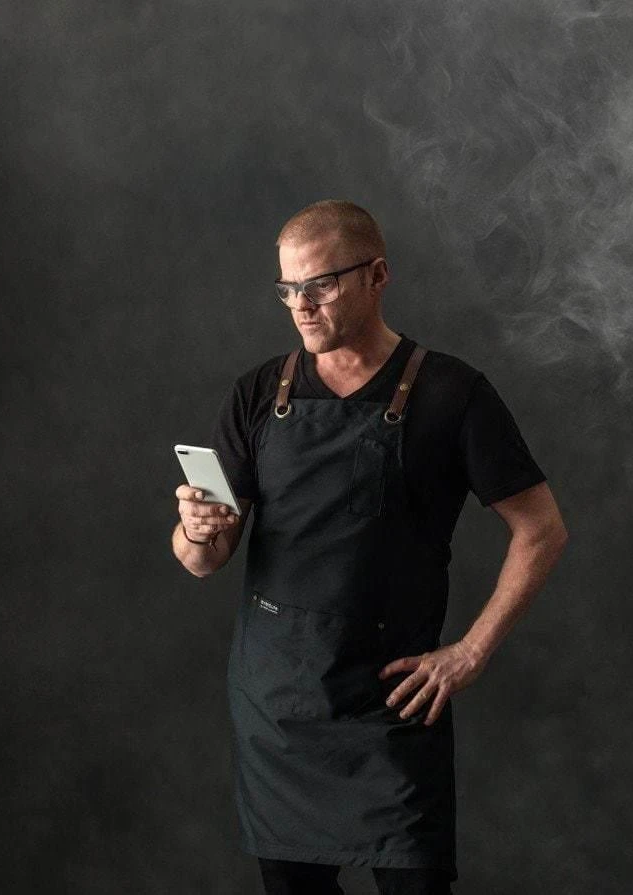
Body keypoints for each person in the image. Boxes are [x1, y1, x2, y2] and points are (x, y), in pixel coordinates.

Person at [170, 200, 568, 895]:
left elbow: (542, 529)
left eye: (320, 284)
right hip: (277, 707)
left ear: (377, 275)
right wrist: (196, 529)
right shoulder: (258, 393)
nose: (301, 305)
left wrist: (470, 652)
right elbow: (205, 559)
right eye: (288, 288)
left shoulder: (451, 392)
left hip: (391, 706)